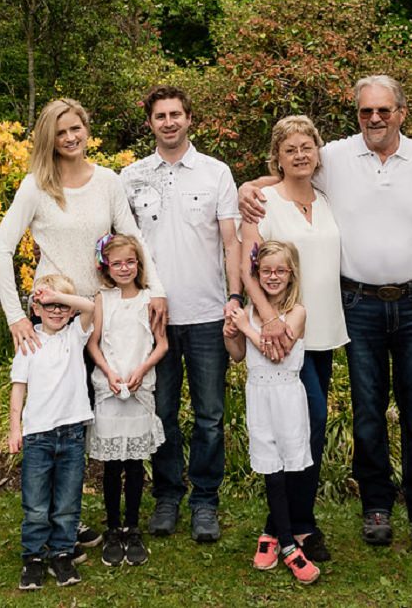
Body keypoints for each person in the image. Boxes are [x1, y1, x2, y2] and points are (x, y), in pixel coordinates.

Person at [240, 75, 412, 553]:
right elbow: (292, 170)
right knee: (368, 412)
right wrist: (250, 185)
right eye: (365, 111)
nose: (375, 118)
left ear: (401, 112)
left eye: (384, 110)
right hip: (359, 306)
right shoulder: (336, 155)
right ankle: (375, 506)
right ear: (357, 114)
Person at [120, 85, 240, 544]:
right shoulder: (131, 177)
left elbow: (231, 241)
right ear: (149, 122)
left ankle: (205, 500)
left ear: (190, 119)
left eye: (176, 115)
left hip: (209, 313)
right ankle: (168, 496)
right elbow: (123, 247)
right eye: (160, 116)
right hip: (153, 317)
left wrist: (234, 298)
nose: (168, 122)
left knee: (210, 415)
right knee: (162, 412)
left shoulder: (215, 173)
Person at [238, 114, 346, 562]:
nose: (300, 155)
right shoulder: (262, 201)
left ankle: (294, 522)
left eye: (307, 147)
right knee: (291, 427)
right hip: (281, 335)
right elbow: (248, 267)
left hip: (322, 330)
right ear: (276, 157)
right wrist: (268, 319)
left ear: (317, 152)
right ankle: (292, 526)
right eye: (290, 149)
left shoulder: (327, 198)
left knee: (312, 430)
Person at [0, 97, 168, 352]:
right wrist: (15, 317)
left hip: (102, 309)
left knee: (109, 389)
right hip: (55, 315)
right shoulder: (36, 186)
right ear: (49, 139)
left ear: (86, 129)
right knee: (58, 392)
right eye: (60, 133)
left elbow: (134, 238)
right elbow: (0, 250)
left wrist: (156, 290)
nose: (70, 137)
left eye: (75, 128)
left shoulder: (108, 181)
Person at [223, 241, 320, 585]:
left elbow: (277, 352)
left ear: (291, 272)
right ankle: (286, 542)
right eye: (266, 271)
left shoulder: (298, 312)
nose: (273, 277)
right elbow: (238, 354)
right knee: (271, 467)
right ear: (257, 275)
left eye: (280, 270)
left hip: (288, 395)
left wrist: (247, 328)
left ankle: (275, 536)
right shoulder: (248, 311)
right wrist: (231, 333)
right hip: (259, 395)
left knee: (291, 466)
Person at [9, 275, 96, 590]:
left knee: (68, 502)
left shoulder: (75, 336)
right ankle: (32, 557)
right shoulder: (28, 340)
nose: (57, 311)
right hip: (37, 436)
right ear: (36, 307)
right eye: (49, 305)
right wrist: (14, 427)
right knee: (35, 503)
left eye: (63, 306)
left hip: (71, 434)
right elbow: (18, 387)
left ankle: (61, 553)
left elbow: (90, 306)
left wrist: (56, 294)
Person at [87, 233, 168, 567]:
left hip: (138, 388)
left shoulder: (150, 299)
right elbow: (93, 344)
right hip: (110, 389)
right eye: (117, 263)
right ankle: (112, 528)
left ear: (139, 264)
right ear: (107, 266)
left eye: (130, 262)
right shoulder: (102, 299)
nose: (124, 268)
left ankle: (132, 527)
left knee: (134, 463)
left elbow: (161, 344)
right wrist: (108, 372)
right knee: (111, 465)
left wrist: (141, 369)